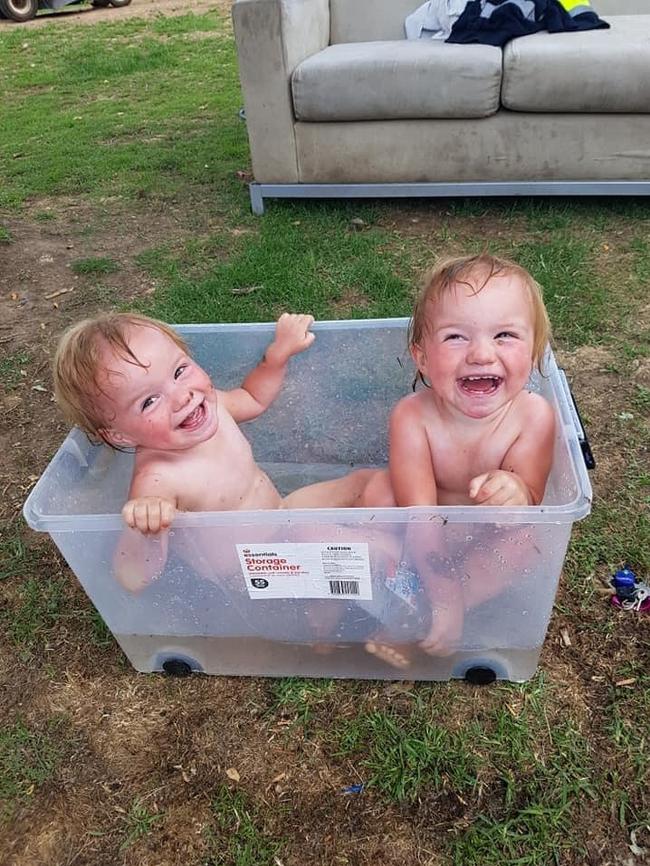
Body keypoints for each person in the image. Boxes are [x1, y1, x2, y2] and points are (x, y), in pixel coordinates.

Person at [53, 312, 382, 592]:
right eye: (149, 401)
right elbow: (132, 579)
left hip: (281, 513)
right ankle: (337, 620)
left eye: (180, 371)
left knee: (367, 483)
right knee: (322, 538)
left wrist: (277, 355)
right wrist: (146, 528)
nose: (182, 396)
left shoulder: (208, 405)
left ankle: (404, 540)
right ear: (119, 434)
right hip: (252, 573)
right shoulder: (157, 481)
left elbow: (252, 397)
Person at [364, 252, 556, 667]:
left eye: (505, 335)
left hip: (484, 538)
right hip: (421, 534)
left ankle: (423, 614)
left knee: (527, 539)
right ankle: (404, 596)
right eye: (456, 337)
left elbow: (533, 501)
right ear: (422, 358)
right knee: (378, 492)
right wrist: (441, 587)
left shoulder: (534, 416)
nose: (482, 354)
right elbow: (419, 514)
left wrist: (517, 492)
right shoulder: (412, 416)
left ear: (535, 348)